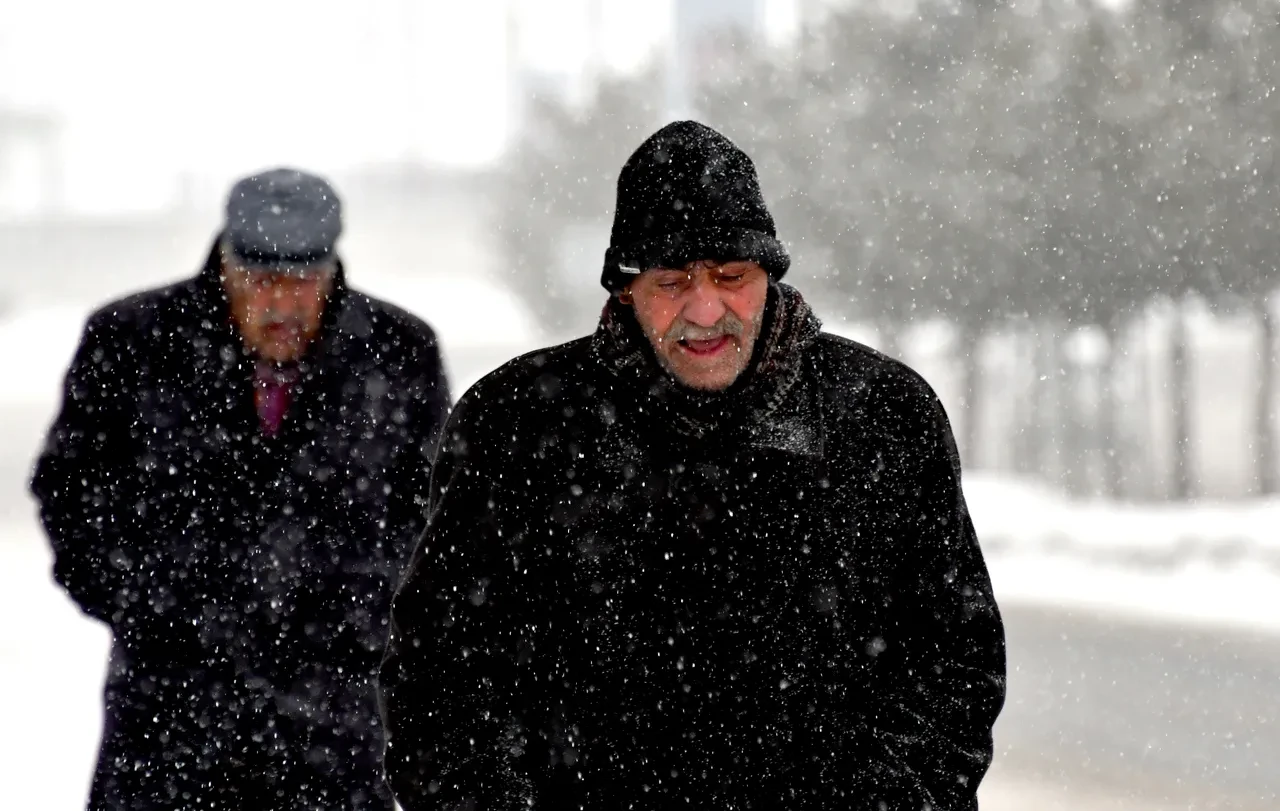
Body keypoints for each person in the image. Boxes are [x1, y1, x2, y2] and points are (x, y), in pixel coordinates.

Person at [378, 120, 1007, 810]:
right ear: (625, 289)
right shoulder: (519, 425)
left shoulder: (879, 416)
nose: (706, 310)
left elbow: (955, 662)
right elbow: (439, 678)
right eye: (673, 281)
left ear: (770, 273)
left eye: (731, 276)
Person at [31, 167, 451, 810]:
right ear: (224, 265)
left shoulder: (398, 352)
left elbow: (432, 515)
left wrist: (360, 616)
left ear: (332, 269)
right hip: (168, 718)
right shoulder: (132, 342)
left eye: (303, 283)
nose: (282, 306)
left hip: (335, 720)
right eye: (261, 282)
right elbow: (70, 489)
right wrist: (148, 605)